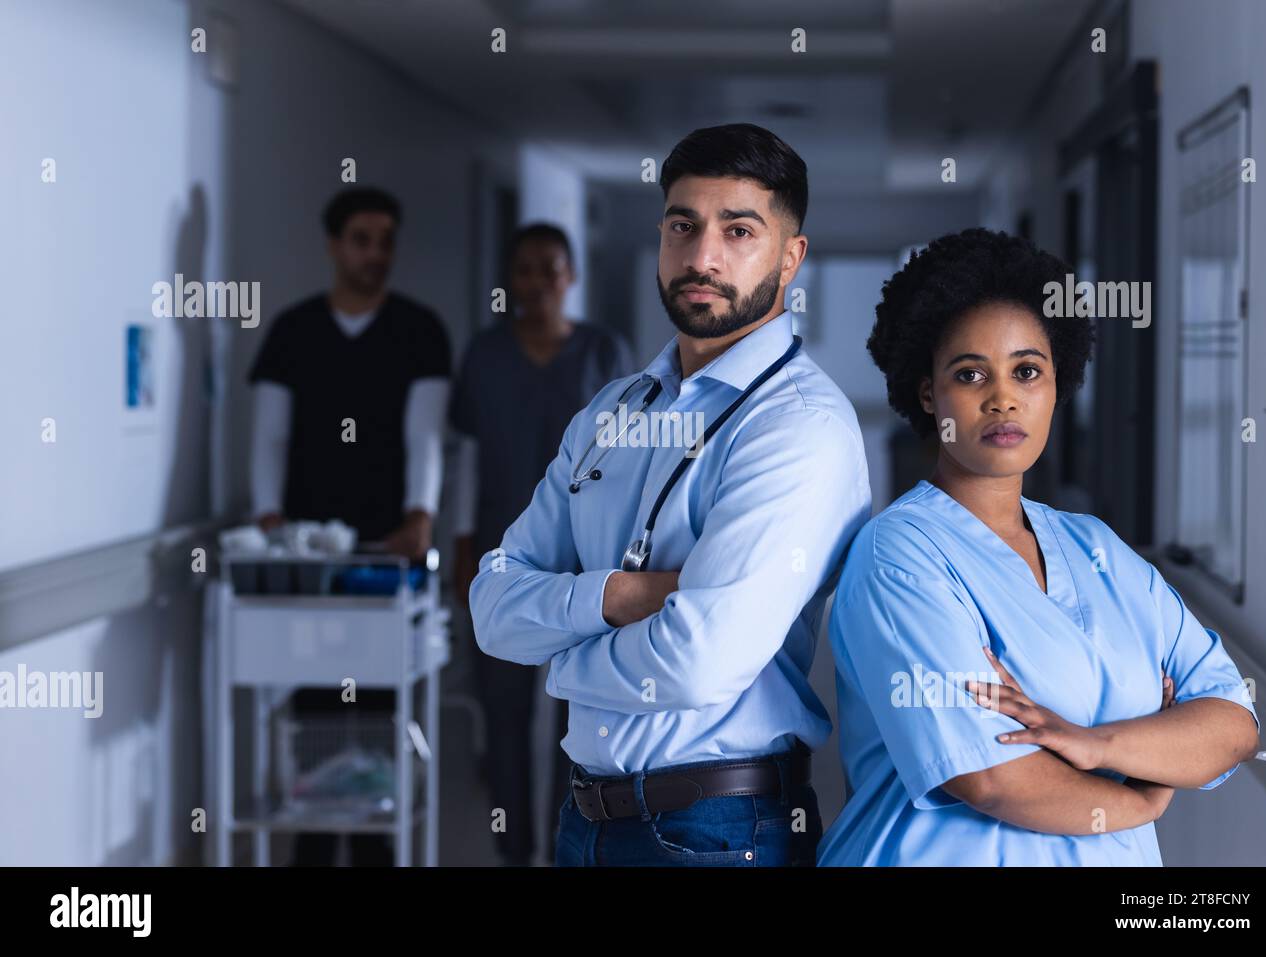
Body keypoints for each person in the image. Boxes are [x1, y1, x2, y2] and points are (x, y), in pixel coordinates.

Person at [469, 123, 872, 867]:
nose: (701, 256)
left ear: (791, 257)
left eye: (738, 229)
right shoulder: (614, 410)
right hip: (586, 818)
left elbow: (697, 662)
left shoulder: (799, 427)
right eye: (682, 225)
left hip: (719, 830)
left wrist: (560, 663)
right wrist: (621, 596)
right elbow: (492, 605)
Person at [817, 227, 1260, 867]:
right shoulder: (898, 556)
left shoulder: (1098, 548)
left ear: (1057, 386)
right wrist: (1140, 794)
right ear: (927, 393)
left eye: (1027, 370)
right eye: (970, 375)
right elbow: (992, 778)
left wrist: (1093, 744)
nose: (1003, 397)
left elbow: (1234, 722)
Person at [247, 186, 453, 865]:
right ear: (336, 246)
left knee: (378, 699)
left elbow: (425, 436)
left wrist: (420, 515)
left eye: (385, 240)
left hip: (384, 554)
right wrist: (272, 519)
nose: (375, 254)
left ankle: (373, 836)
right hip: (313, 554)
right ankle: (313, 833)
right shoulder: (293, 332)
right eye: (362, 239)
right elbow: (269, 437)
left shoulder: (418, 331)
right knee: (314, 701)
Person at [447, 222, 635, 866]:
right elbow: (466, 453)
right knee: (501, 712)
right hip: (504, 558)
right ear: (509, 278)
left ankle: (565, 849)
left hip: (587, 562)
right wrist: (462, 540)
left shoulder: (604, 352)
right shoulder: (484, 355)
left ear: (571, 276)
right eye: (524, 269)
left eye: (550, 269)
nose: (537, 283)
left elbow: (635, 458)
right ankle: (511, 850)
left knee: (576, 717)